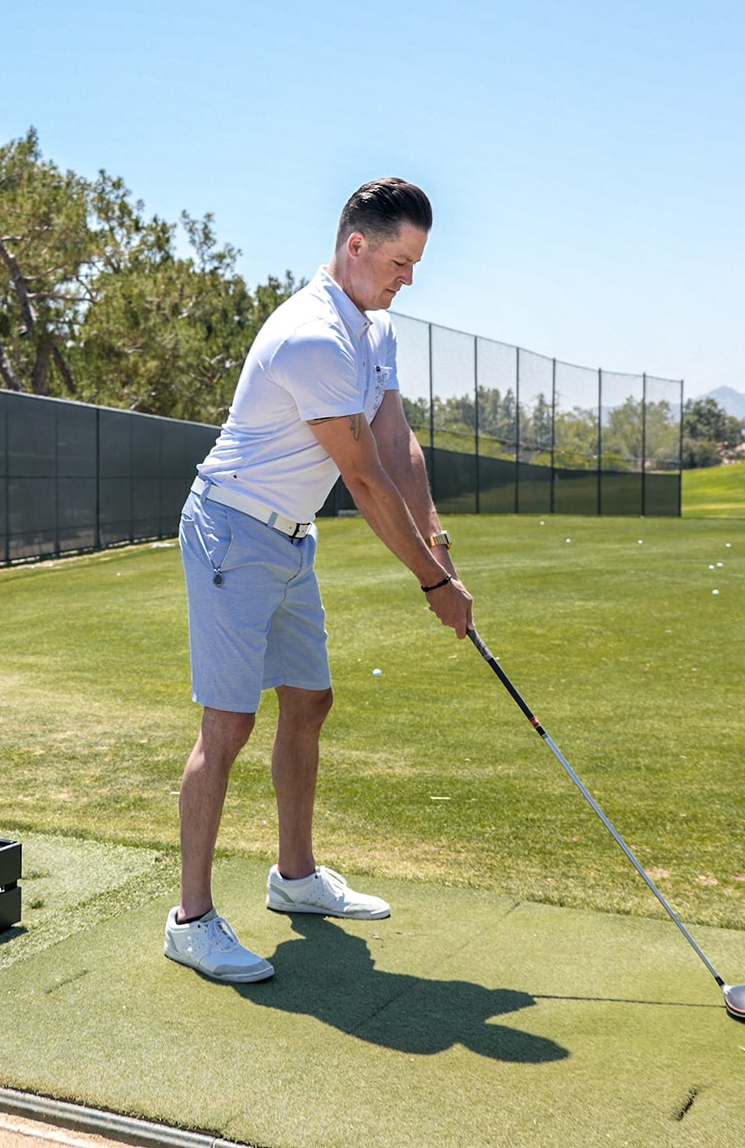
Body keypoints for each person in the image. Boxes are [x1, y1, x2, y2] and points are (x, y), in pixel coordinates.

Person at [166, 178, 474, 982]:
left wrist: (437, 542)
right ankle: (191, 921)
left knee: (309, 701)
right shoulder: (312, 335)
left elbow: (397, 441)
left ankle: (295, 879)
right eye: (400, 262)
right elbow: (364, 477)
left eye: (417, 263)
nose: (409, 278)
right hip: (232, 529)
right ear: (356, 247)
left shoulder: (373, 329)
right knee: (227, 726)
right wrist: (433, 586)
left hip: (291, 536)